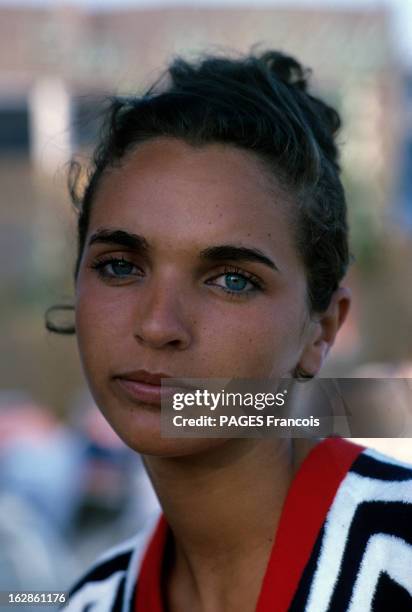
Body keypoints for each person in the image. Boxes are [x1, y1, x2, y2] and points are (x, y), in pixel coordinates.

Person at [46, 49, 412, 611]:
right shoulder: (91, 600)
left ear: (322, 329)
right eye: (120, 266)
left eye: (232, 280)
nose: (158, 324)